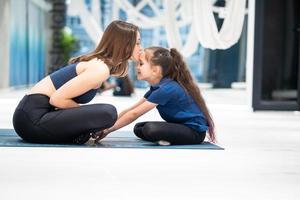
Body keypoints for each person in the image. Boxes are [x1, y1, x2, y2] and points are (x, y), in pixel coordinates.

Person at [12, 20, 142, 144]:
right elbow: (57, 99)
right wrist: (87, 119)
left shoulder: (100, 65)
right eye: (137, 43)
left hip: (34, 116)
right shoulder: (99, 68)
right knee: (108, 112)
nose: (140, 48)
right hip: (32, 119)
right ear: (124, 45)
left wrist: (86, 120)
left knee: (101, 115)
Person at [94, 46, 216, 145]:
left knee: (150, 129)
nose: (137, 67)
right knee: (139, 128)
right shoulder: (158, 87)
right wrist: (106, 125)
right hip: (180, 127)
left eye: (141, 64)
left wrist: (108, 131)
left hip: (194, 133)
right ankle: (167, 138)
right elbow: (132, 109)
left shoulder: (167, 88)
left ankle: (168, 139)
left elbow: (135, 114)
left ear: (155, 70)